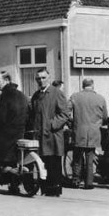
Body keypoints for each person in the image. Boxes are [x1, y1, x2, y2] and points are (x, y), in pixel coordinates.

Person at [28, 68, 70, 197]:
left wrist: (52, 124)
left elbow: (65, 114)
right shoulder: (36, 95)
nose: (41, 80)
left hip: (52, 136)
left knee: (53, 164)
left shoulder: (57, 93)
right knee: (42, 163)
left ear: (49, 78)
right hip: (40, 136)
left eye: (43, 78)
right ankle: (44, 189)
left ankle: (54, 191)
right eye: (38, 78)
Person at [68, 78, 108, 189]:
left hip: (78, 132)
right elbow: (105, 117)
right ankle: (88, 183)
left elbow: (66, 112)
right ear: (93, 86)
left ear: (82, 85)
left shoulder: (75, 96)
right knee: (90, 158)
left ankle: (76, 180)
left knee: (77, 158)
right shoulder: (100, 98)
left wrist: (72, 122)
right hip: (93, 133)